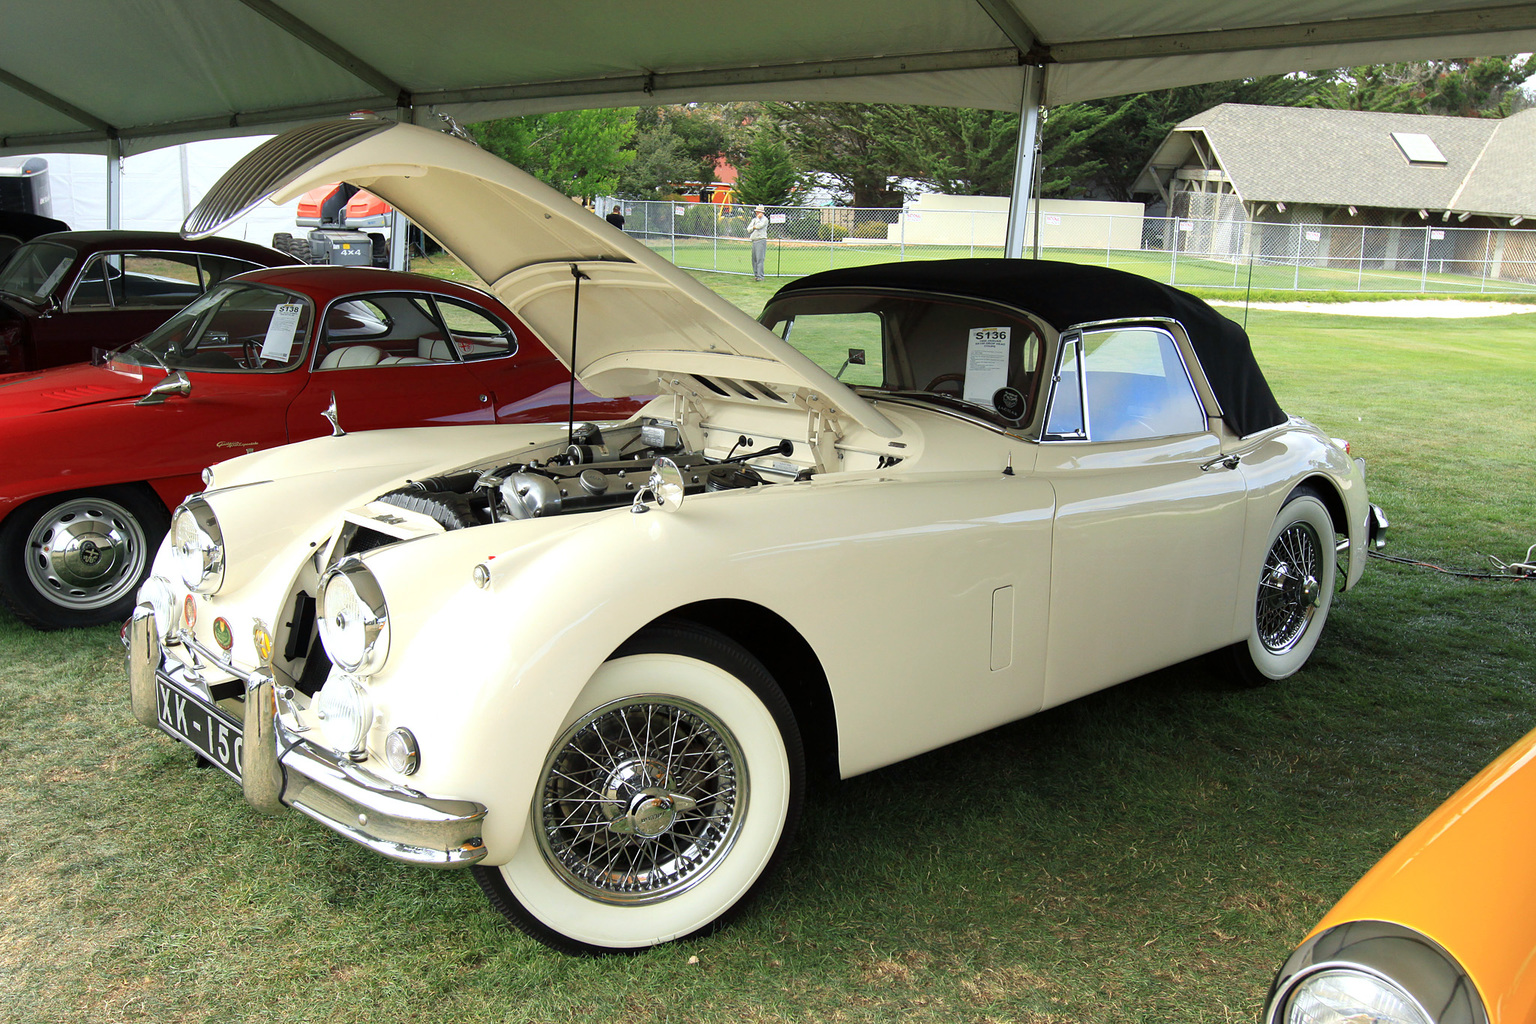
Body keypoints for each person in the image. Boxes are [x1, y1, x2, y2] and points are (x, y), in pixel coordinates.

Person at [747, 205, 769, 281]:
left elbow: (759, 226)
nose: (757, 213)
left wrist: (755, 224)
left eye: (759, 212)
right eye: (757, 212)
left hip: (761, 240)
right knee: (754, 259)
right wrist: (753, 226)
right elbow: (749, 229)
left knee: (760, 259)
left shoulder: (764, 219)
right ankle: (756, 275)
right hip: (754, 240)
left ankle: (760, 276)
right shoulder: (754, 220)